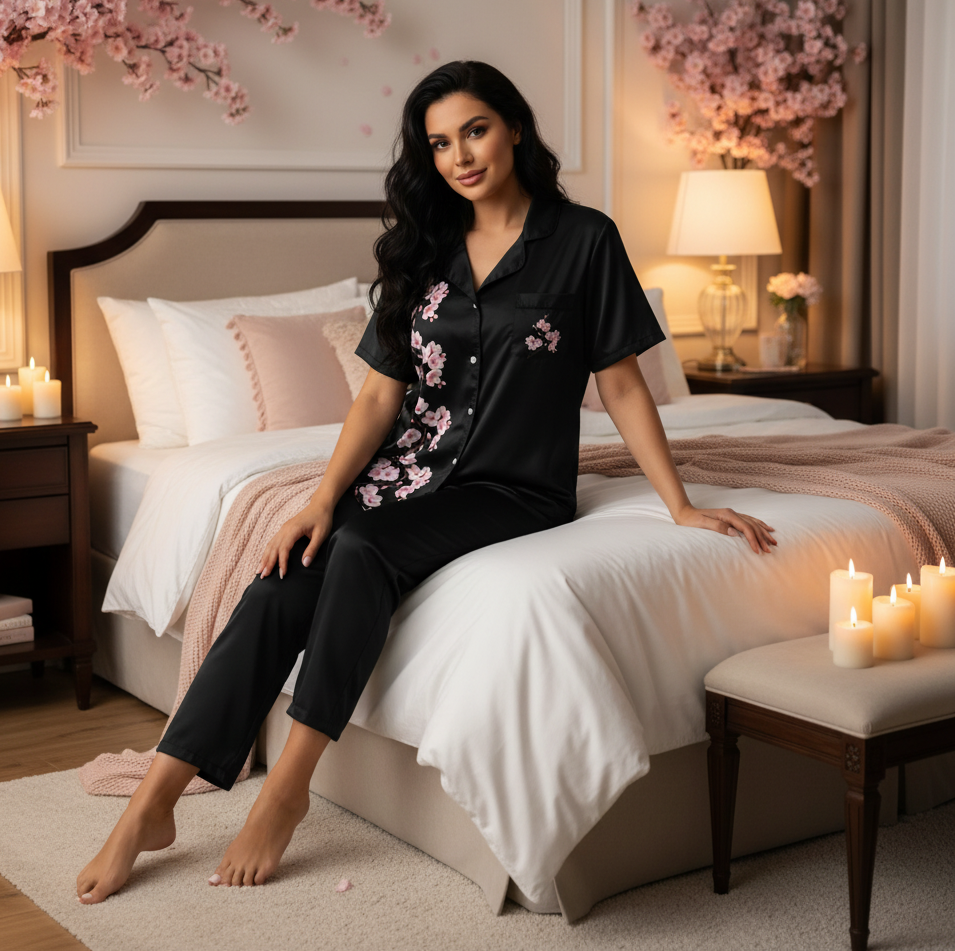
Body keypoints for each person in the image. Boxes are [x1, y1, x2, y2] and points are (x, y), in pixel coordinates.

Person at [76, 60, 775, 904]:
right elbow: (379, 396)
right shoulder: (425, 250)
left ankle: (289, 788)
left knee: (364, 549)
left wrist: (680, 504)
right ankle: (154, 801)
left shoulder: (584, 240)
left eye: (474, 131)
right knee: (284, 574)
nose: (460, 156)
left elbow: (622, 383)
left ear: (514, 127)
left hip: (514, 488)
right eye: (440, 143)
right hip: (407, 470)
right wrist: (319, 500)